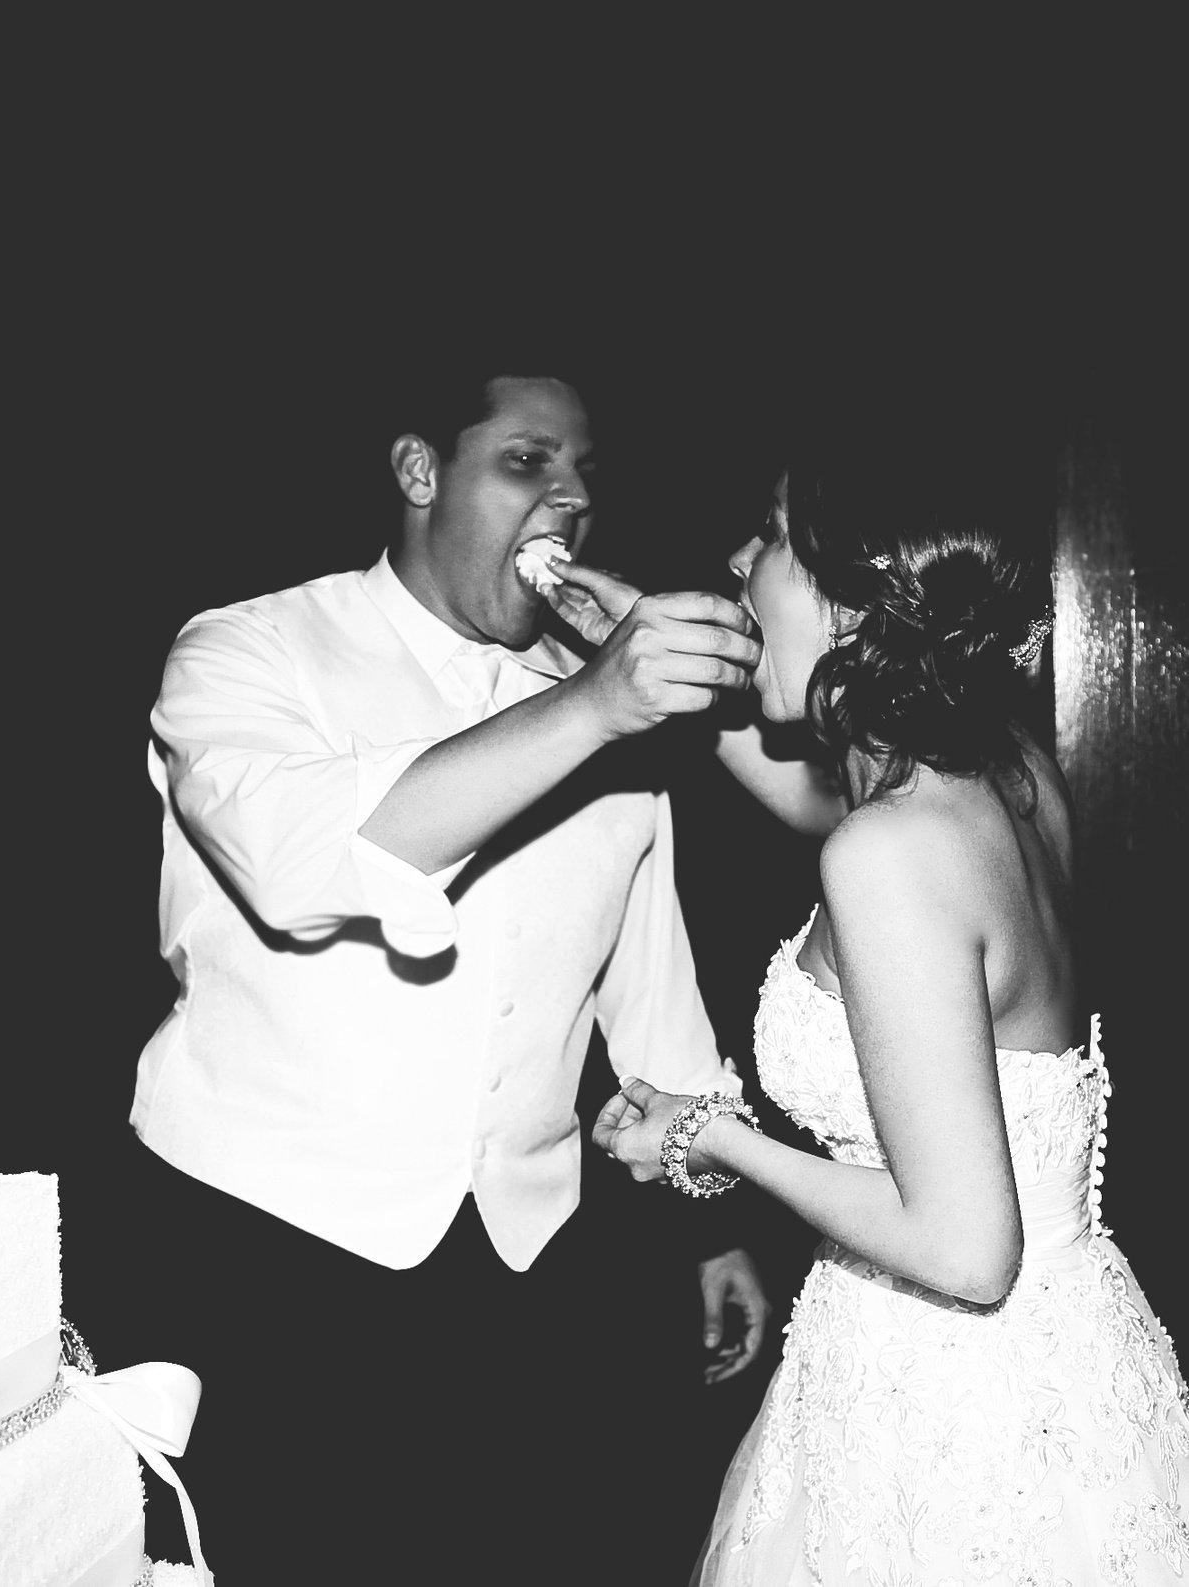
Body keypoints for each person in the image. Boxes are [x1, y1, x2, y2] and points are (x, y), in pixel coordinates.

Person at [126, 366, 773, 1578]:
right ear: (421, 471)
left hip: (523, 1263)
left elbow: (649, 981)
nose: (569, 499)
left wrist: (712, 1223)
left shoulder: (595, 696)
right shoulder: (249, 647)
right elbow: (300, 863)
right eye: (527, 462)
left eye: (583, 474)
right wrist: (594, 707)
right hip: (265, 1245)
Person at [577, 441, 1189, 1582]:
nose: (738, 559)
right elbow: (834, 814)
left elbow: (965, 1251)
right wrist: (651, 665)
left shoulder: (888, 852)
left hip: (957, 1417)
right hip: (1055, 1365)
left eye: (771, 536)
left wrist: (713, 1137)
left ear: (857, 598)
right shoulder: (1007, 775)